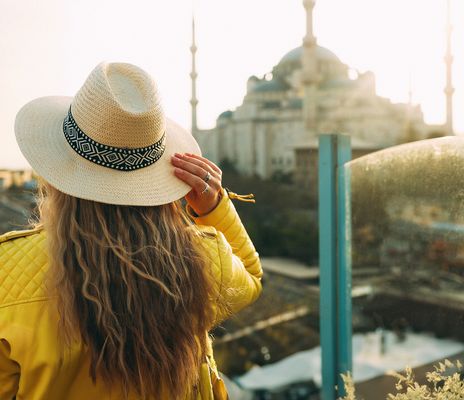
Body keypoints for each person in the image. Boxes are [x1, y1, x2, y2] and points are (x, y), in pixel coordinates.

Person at [0, 62, 263, 399]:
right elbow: (251, 279)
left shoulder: (7, 270)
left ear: (54, 176)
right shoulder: (202, 259)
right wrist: (214, 208)